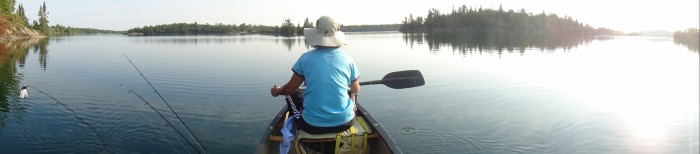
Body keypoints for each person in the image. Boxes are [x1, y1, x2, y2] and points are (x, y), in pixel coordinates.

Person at [271, 16, 360, 134]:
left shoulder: (305, 58)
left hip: (311, 125)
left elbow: (290, 89)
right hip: (346, 123)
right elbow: (356, 89)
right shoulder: (348, 59)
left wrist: (277, 91)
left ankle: (296, 127)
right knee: (352, 94)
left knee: (291, 95)